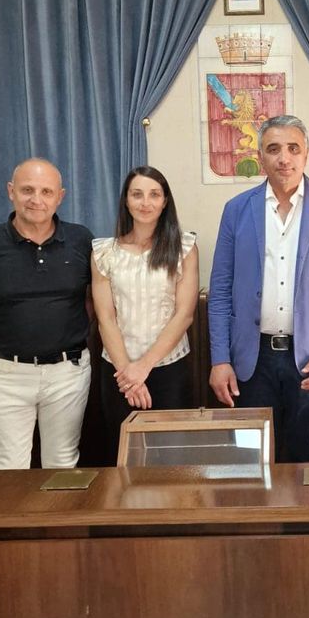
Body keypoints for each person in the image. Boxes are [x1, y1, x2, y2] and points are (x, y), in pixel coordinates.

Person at [208, 114, 309, 462]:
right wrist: (220, 359)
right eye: (274, 149)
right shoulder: (237, 210)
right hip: (251, 359)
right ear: (260, 157)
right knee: (250, 458)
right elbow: (219, 291)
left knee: (307, 458)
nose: (284, 158)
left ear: (306, 154)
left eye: (293, 148)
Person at [0, 158, 93, 469]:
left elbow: (91, 302)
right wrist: (11, 342)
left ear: (60, 196)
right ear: (11, 191)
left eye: (46, 191)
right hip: (8, 373)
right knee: (8, 467)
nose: (36, 199)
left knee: (62, 464)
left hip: (68, 373)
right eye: (27, 190)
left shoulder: (82, 240)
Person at [91, 166, 198, 463]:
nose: (145, 202)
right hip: (118, 371)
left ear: (165, 202)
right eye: (137, 194)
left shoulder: (184, 248)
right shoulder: (104, 252)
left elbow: (184, 315)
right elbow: (105, 318)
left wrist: (143, 368)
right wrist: (129, 375)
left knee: (171, 459)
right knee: (125, 457)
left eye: (154, 195)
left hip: (168, 368)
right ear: (126, 200)